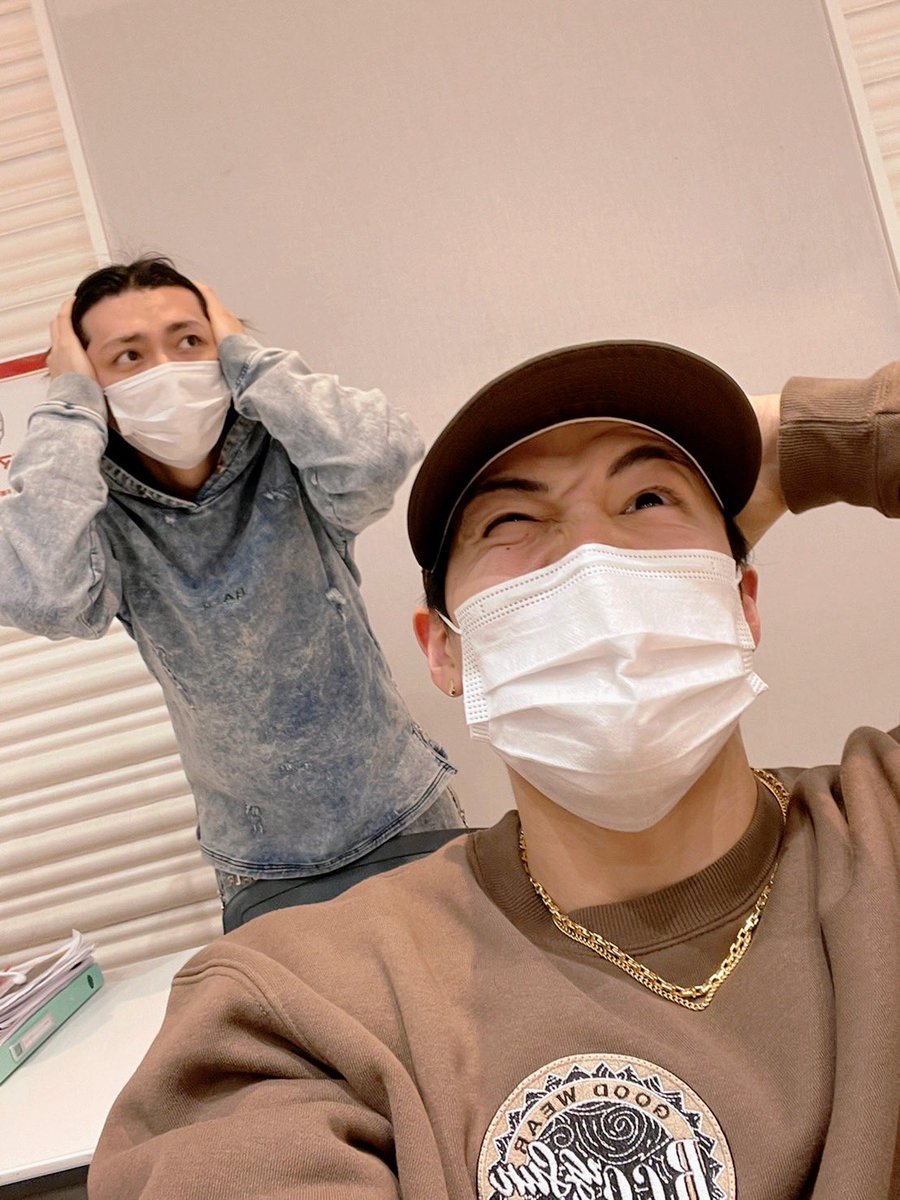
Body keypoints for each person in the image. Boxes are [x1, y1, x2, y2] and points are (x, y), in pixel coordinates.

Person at [87, 340, 898, 1199]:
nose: (592, 557)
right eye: (511, 521)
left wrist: (809, 441)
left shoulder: (882, 822)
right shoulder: (301, 1005)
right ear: (446, 653)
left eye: (648, 498)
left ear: (740, 602)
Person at [0, 257, 461, 924]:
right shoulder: (97, 511)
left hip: (400, 808)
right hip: (257, 857)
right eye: (128, 355)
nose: (165, 369)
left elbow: (378, 455)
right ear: (92, 383)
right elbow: (42, 593)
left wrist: (246, 355)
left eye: (189, 340)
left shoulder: (291, 454)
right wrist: (69, 404)